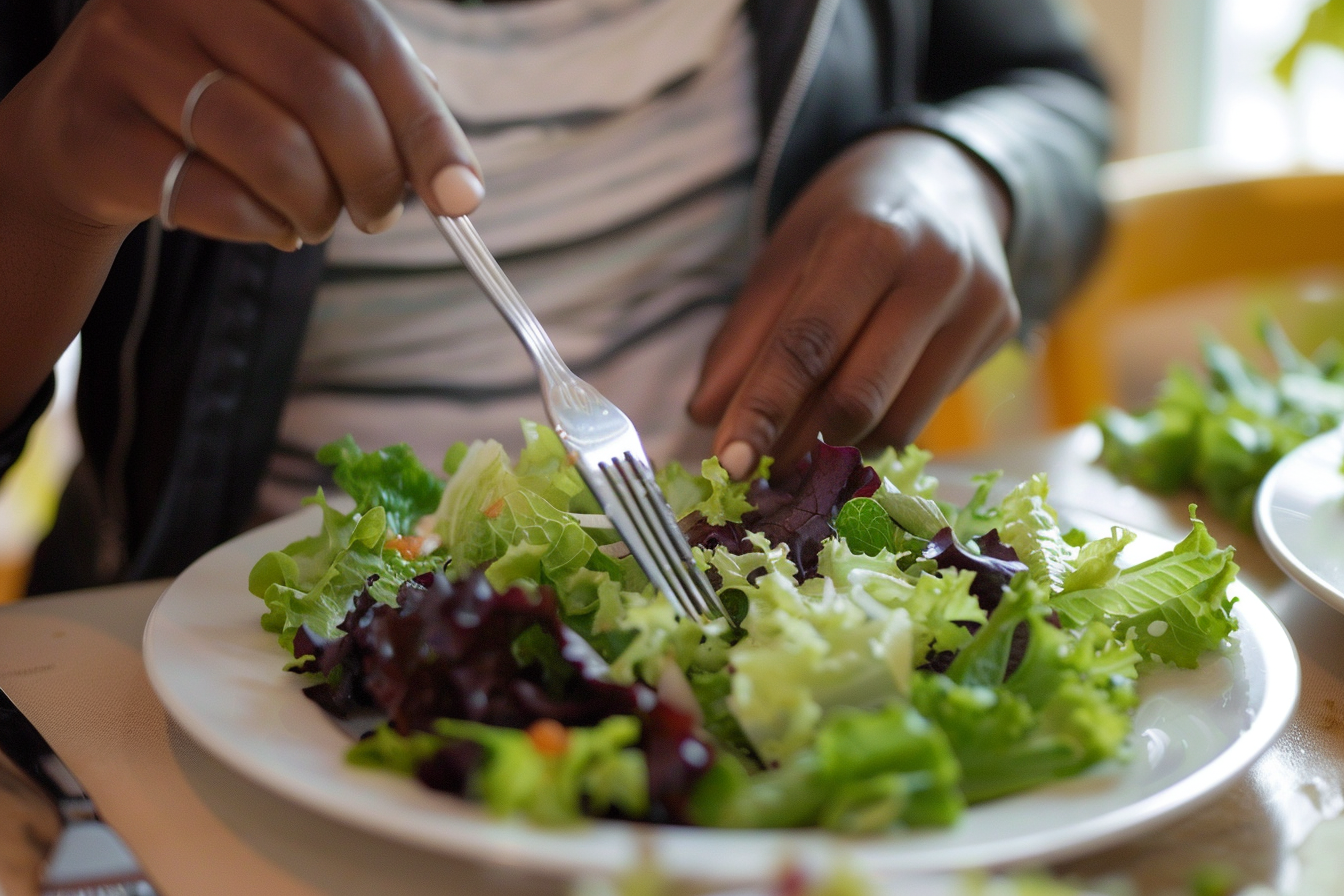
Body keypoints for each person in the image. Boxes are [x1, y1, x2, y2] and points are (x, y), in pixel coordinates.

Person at [0, 0, 1110, 592]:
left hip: (747, 643)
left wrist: (967, 167)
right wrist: (35, 189)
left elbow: (1053, 97)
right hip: (208, 680)